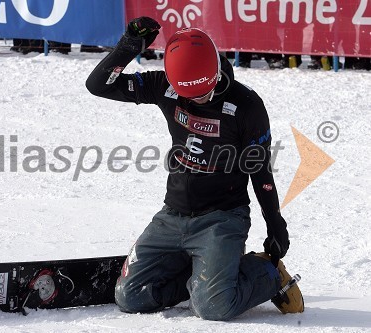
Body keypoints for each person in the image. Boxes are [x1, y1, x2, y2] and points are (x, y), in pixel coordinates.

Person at [86, 17, 304, 321]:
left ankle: (266, 273)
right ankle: (205, 273)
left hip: (222, 219)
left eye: (203, 93)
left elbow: (260, 171)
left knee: (213, 307)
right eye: (190, 95)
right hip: (172, 216)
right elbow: (98, 85)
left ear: (216, 70)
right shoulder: (164, 87)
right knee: (129, 296)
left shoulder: (246, 105)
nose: (198, 100)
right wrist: (129, 46)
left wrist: (275, 222)